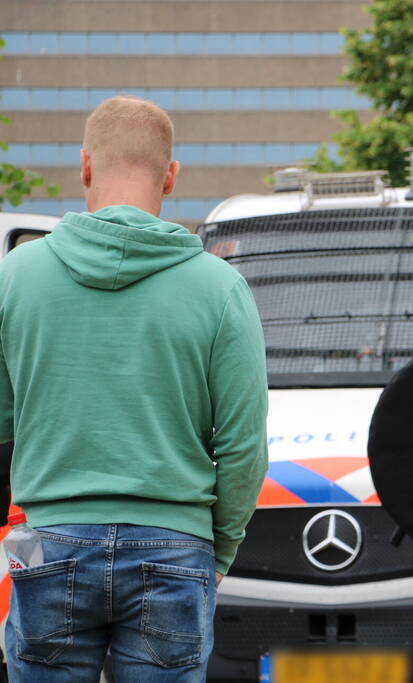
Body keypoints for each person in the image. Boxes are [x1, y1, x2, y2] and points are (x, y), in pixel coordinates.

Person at [0, 95, 268, 682]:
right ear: (171, 176)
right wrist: (217, 550)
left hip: (50, 541)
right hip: (175, 547)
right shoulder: (220, 288)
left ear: (85, 166)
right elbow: (245, 446)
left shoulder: (14, 277)